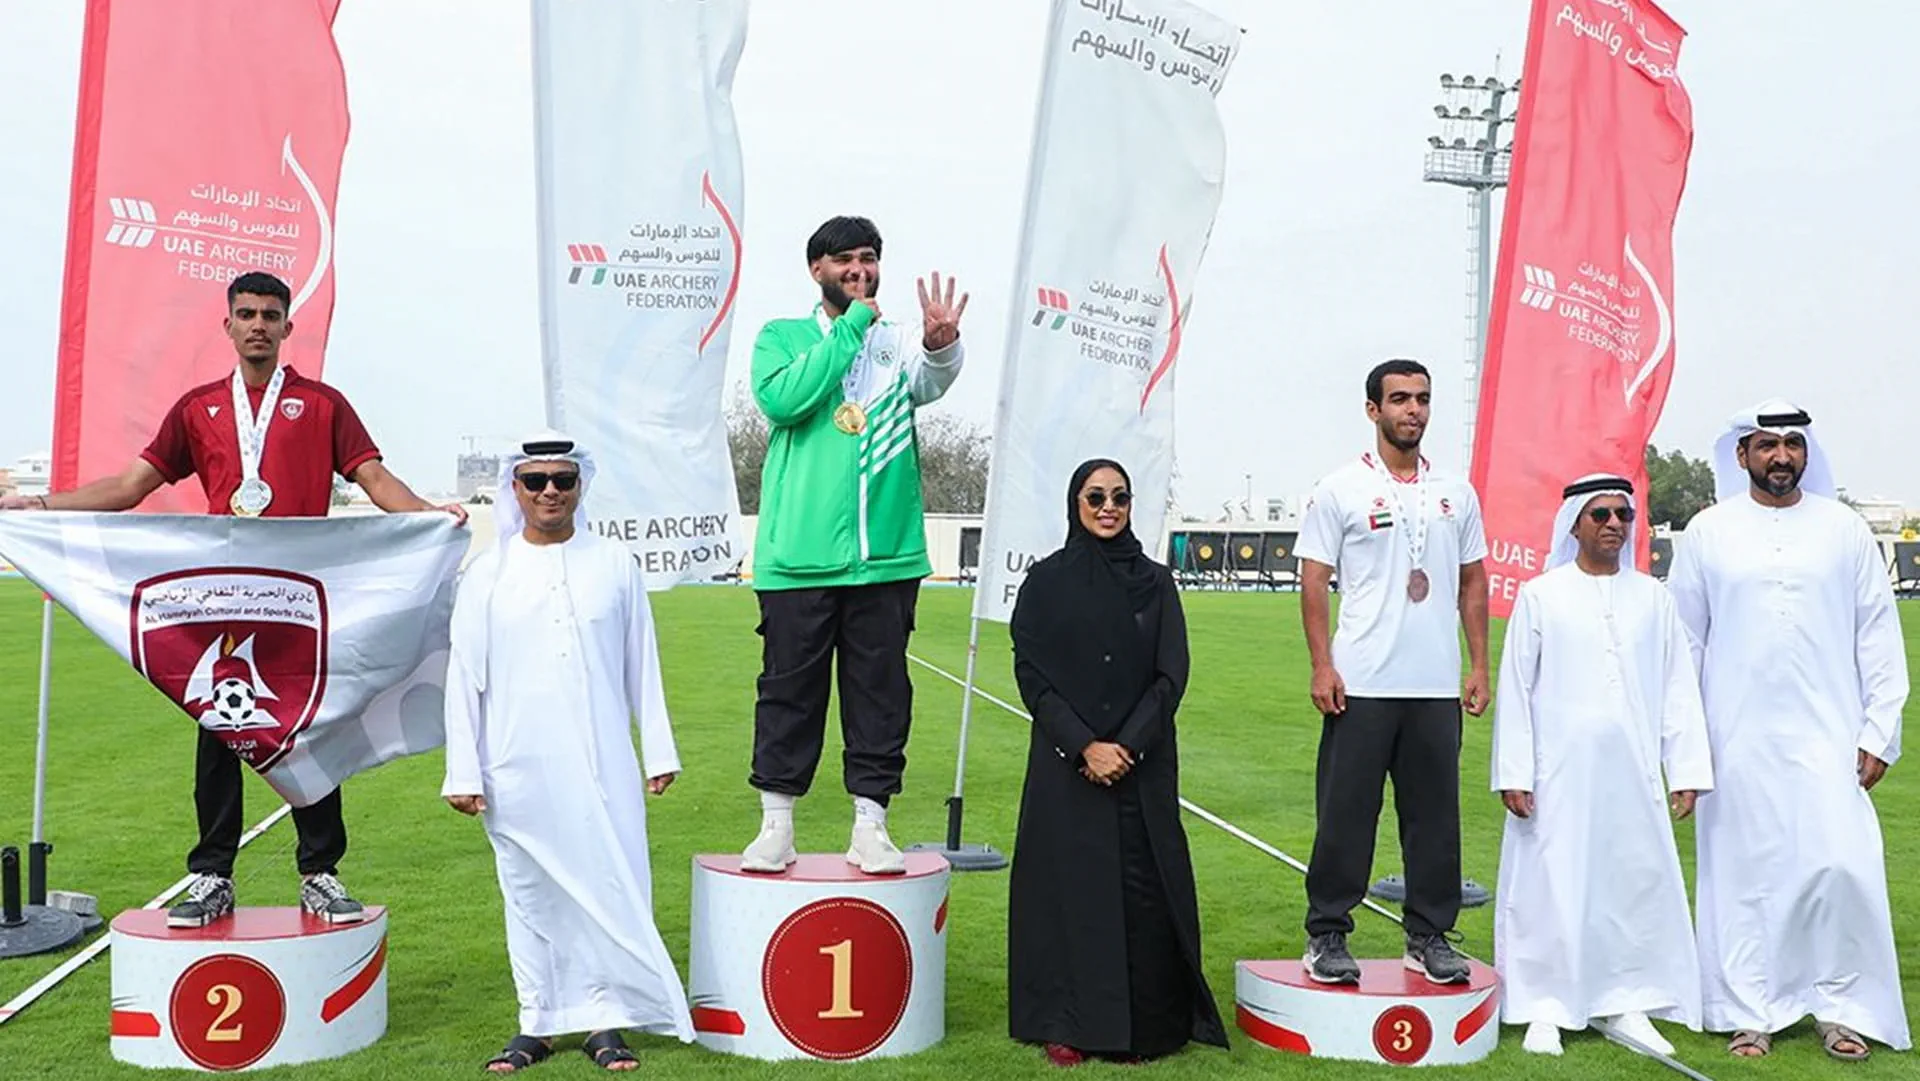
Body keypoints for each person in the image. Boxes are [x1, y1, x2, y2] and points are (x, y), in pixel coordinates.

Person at [0, 271, 462, 929]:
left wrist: (428, 515)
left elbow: (372, 476)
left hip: (299, 607)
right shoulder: (198, 408)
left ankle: (320, 871)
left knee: (310, 726)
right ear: (228, 324)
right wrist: (41, 505)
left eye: (270, 315)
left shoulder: (323, 405)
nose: (257, 325)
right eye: (246, 313)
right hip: (225, 604)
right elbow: (132, 485)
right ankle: (212, 873)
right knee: (219, 733)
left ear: (286, 327)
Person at [443, 432, 693, 1073]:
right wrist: (463, 770)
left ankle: (605, 1024)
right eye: (535, 481)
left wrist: (657, 752)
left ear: (581, 486)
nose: (550, 491)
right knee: (530, 896)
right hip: (514, 766)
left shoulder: (614, 564)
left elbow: (645, 664)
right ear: (515, 490)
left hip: (603, 761)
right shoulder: (486, 574)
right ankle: (537, 1023)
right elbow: (463, 678)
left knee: (612, 884)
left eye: (563, 480)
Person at [1667, 400, 1909, 1061]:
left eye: (1792, 444)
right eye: (1767, 444)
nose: (1781, 456)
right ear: (1741, 454)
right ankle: (1751, 1011)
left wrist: (1878, 729)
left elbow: (1878, 637)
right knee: (1745, 876)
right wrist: (1686, 749)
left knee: (1838, 866)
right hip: (1734, 738)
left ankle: (1841, 1008)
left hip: (1829, 734)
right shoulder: (1709, 532)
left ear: (1807, 453)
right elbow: (1682, 648)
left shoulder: (1844, 530)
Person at [740, 216, 969, 875]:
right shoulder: (780, 336)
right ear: (818, 269)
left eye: (868, 258)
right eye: (845, 260)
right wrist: (849, 330)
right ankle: (776, 824)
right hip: (797, 558)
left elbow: (929, 383)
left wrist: (941, 347)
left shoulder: (895, 341)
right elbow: (784, 400)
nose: (859, 270)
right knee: (789, 691)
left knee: (880, 692)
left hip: (885, 554)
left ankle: (871, 824)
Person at [1006, 459, 1229, 1068]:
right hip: (1066, 765)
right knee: (1071, 891)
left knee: (1142, 890)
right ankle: (1067, 1022)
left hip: (1142, 763)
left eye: (1120, 497)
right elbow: (1032, 674)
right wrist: (1083, 745)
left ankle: (1145, 1024)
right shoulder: (1046, 582)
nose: (1108, 507)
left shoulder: (1155, 583)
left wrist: (1126, 747)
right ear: (1075, 502)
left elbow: (1169, 674)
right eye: (1095, 496)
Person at [1491, 474, 1713, 1056]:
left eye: (1623, 515)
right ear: (1575, 524)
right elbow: (1517, 687)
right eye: (1601, 515)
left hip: (1633, 773)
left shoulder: (1654, 599)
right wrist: (1515, 771)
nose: (1614, 524)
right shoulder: (1543, 595)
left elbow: (1678, 689)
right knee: (1552, 883)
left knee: (1632, 883)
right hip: (1557, 772)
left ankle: (1627, 1000)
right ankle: (1544, 1006)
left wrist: (1685, 771)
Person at [1295, 358, 1489, 986]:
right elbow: (1315, 579)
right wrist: (1323, 664)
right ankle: (1327, 933)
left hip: (1433, 685)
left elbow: (1472, 581)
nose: (1413, 410)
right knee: (1347, 815)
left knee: (1435, 820)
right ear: (1373, 410)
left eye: (1423, 399)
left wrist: (1479, 663)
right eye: (1400, 399)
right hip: (1363, 682)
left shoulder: (1456, 493)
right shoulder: (1340, 488)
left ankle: (1428, 935)